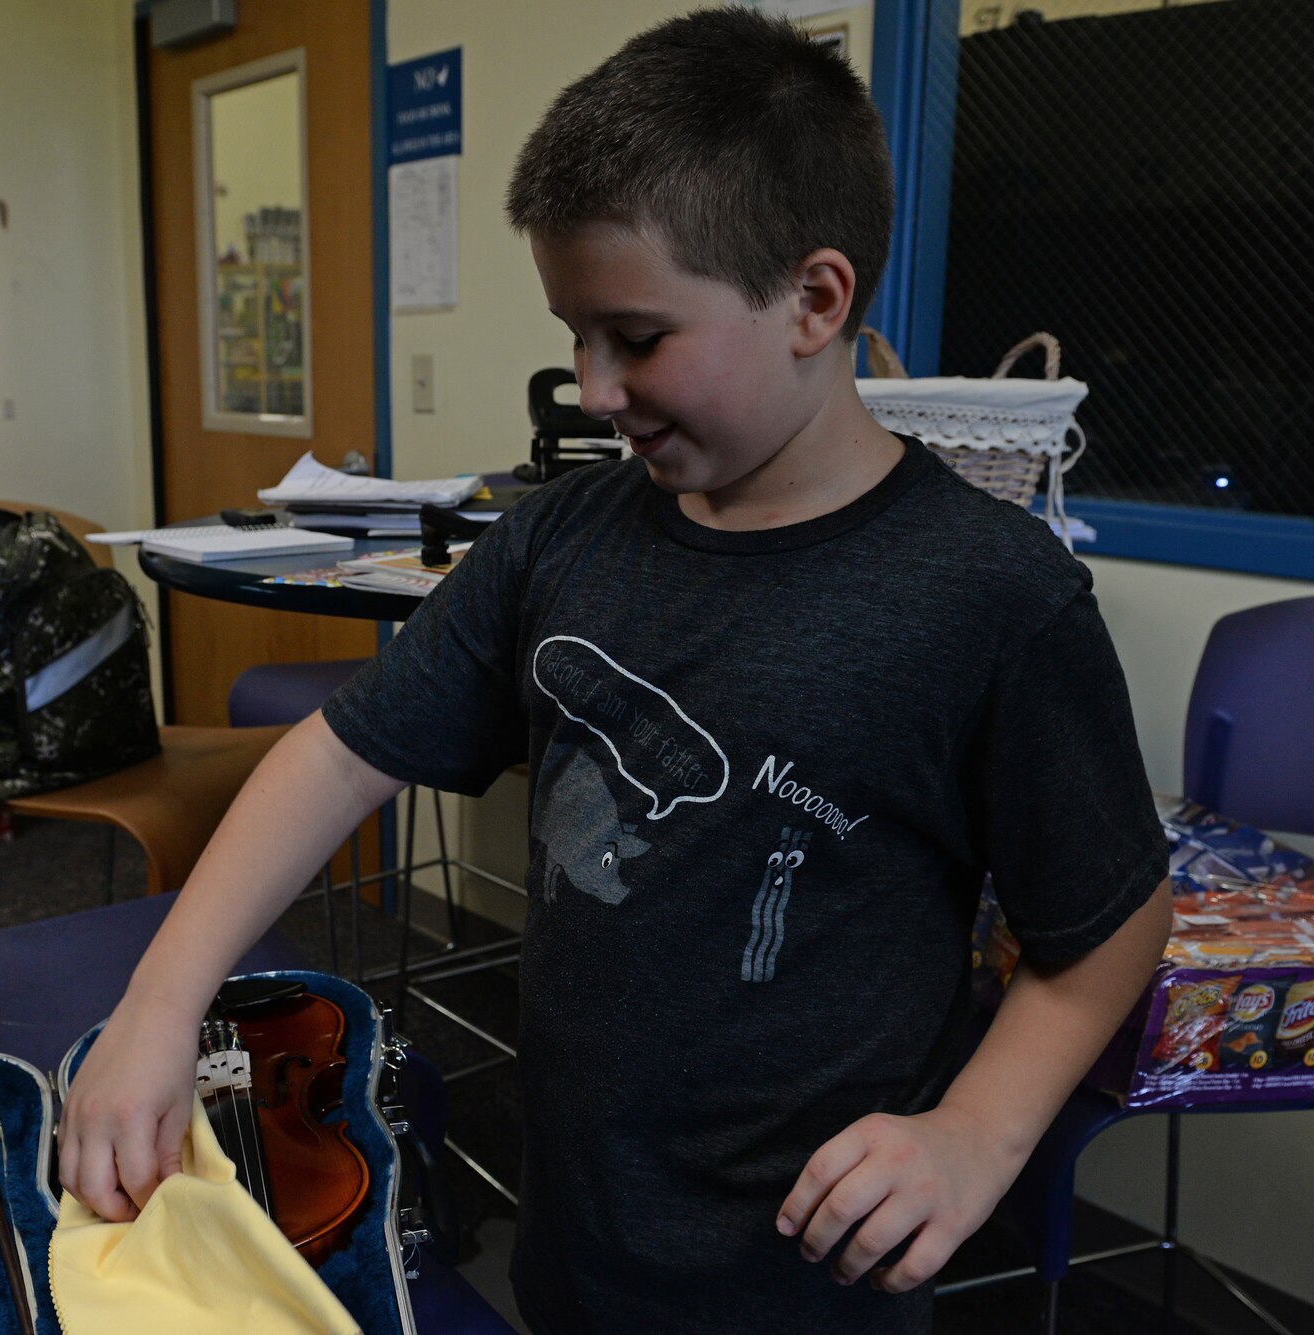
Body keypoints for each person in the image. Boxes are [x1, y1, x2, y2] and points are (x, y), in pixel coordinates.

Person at [58, 8, 1172, 1331]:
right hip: (581, 1228)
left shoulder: (995, 598)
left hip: (808, 1276)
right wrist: (157, 1006)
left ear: (817, 299)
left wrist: (979, 1135)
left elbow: (1107, 922)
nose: (591, 388)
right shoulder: (557, 538)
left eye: (635, 338)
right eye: (572, 334)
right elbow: (340, 751)